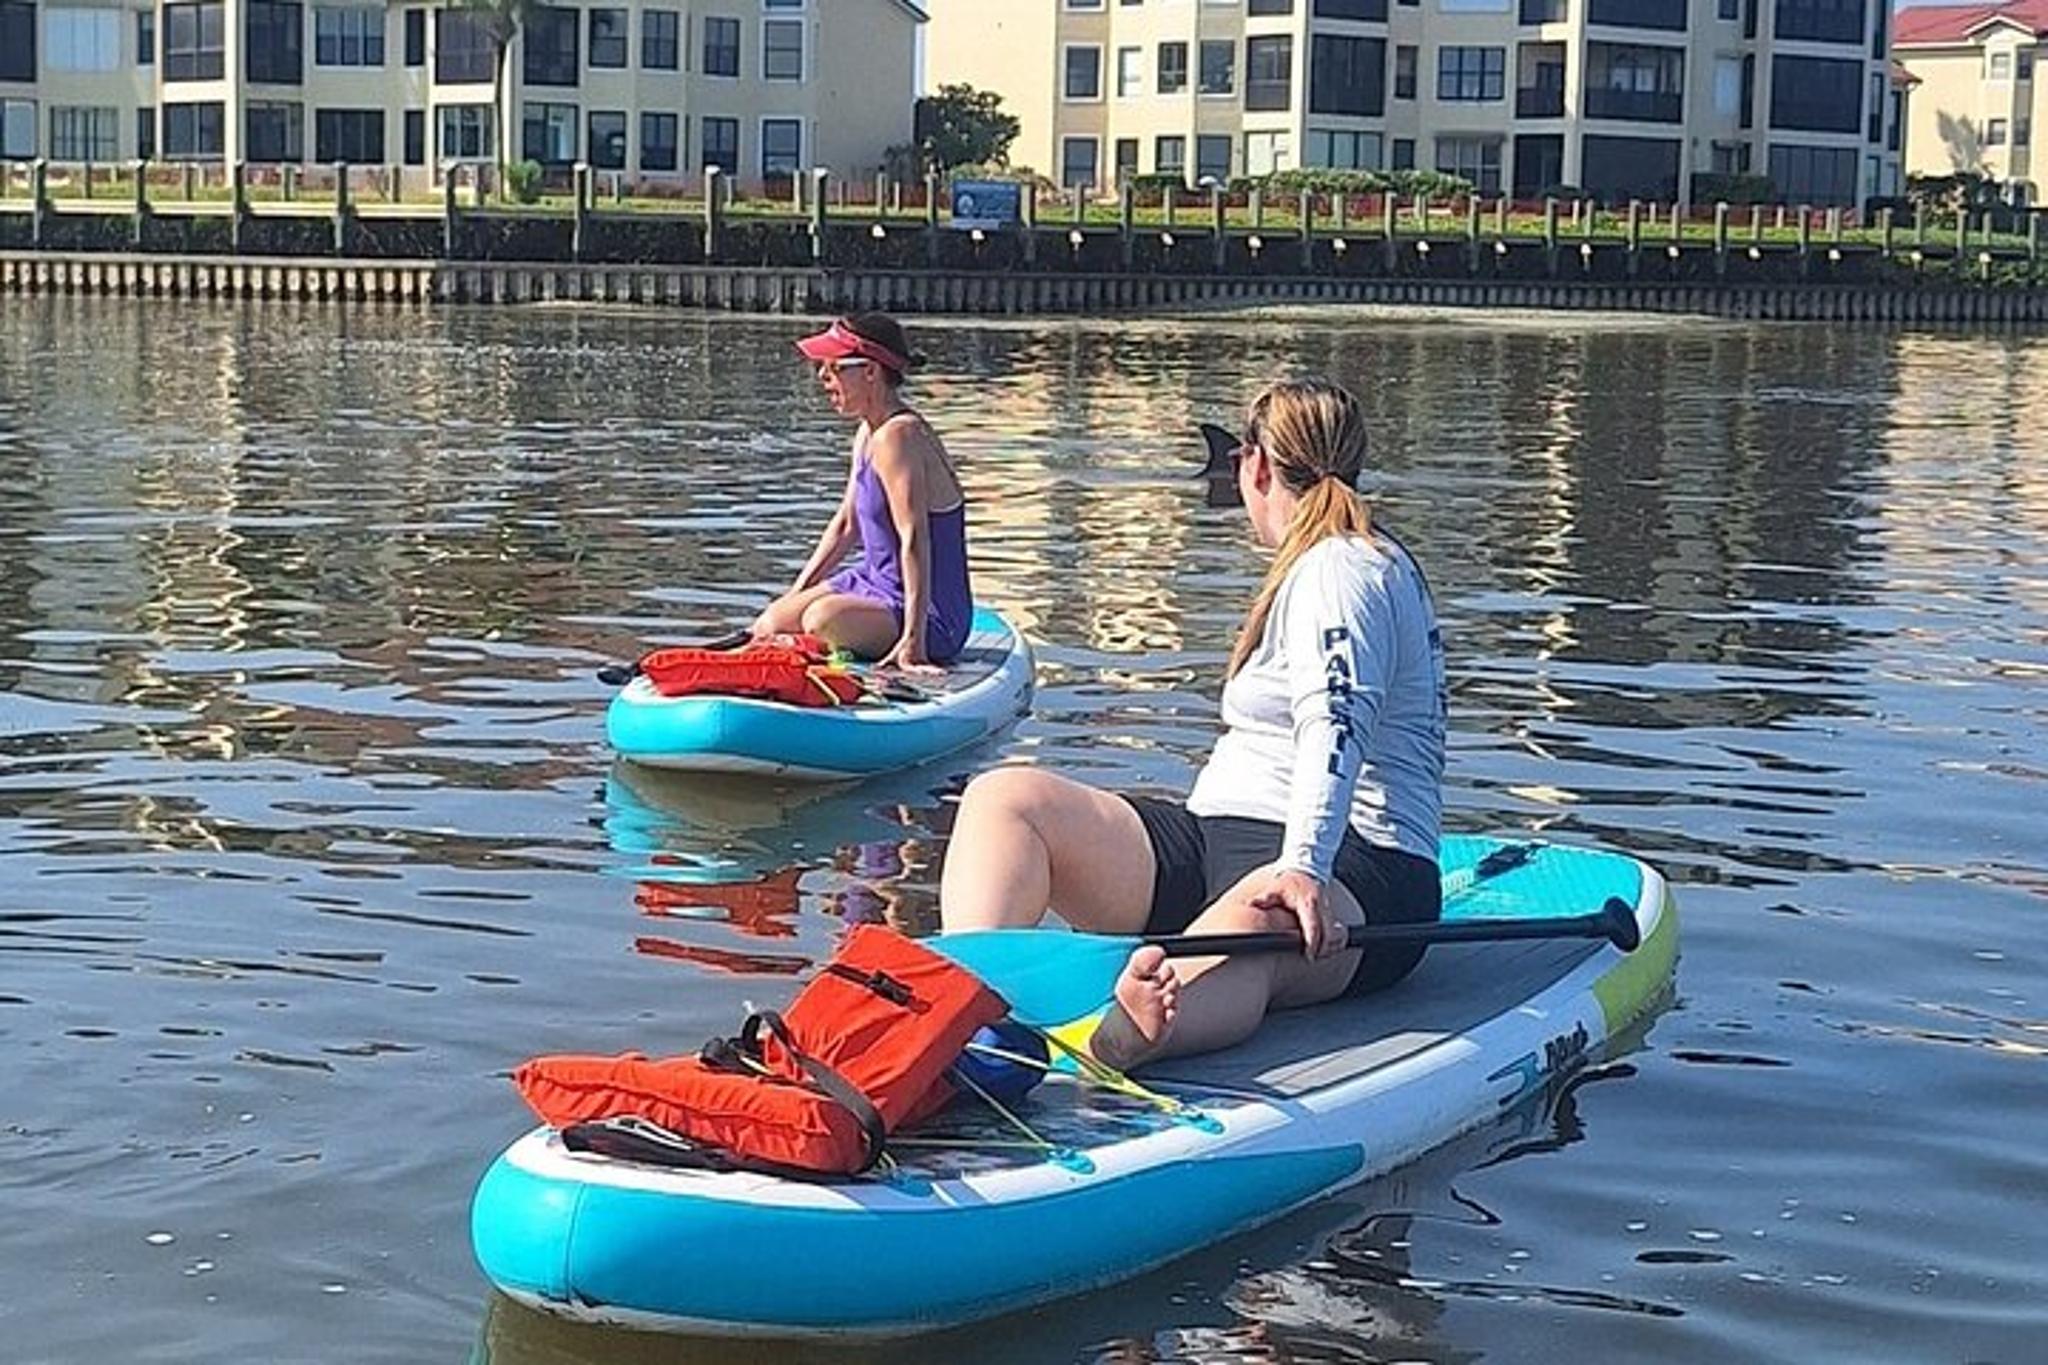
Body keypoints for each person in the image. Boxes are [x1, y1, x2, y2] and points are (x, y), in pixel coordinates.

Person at [938, 377, 1447, 1069]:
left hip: (1360, 867)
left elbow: (1336, 720)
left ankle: (1130, 1034)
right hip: (1219, 836)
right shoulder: (1318, 562)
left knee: (1256, 915)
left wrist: (1303, 865)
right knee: (1007, 800)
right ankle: (966, 1013)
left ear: (1255, 466)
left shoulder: (1344, 568)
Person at [752, 314, 973, 674]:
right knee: (770, 624)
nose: (822, 376)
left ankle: (879, 644)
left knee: (821, 620)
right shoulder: (868, 432)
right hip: (874, 582)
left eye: (834, 367)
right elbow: (846, 525)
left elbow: (914, 537)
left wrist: (913, 642)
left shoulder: (898, 437)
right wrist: (793, 596)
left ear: (870, 371)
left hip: (931, 611)